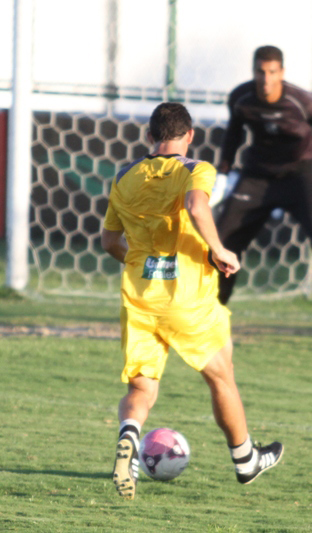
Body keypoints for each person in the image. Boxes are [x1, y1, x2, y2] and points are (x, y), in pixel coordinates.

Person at [101, 102, 283, 500]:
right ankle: (245, 459)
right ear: (189, 137)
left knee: (142, 390)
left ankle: (128, 444)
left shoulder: (123, 176)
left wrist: (139, 262)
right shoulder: (196, 169)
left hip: (139, 297)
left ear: (150, 136)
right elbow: (196, 206)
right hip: (186, 299)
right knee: (221, 376)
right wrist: (218, 249)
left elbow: (110, 242)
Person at [214, 45, 312, 346]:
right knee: (223, 244)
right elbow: (233, 135)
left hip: (300, 178)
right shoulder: (241, 99)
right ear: (253, 71)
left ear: (281, 73)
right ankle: (212, 313)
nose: (265, 79)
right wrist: (222, 174)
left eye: (271, 72)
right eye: (260, 72)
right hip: (256, 177)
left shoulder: (302, 101)